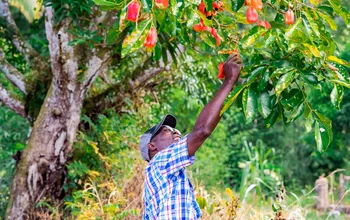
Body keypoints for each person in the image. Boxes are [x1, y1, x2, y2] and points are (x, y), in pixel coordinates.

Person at [139, 52, 242, 219]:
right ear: (152, 146)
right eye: (166, 130)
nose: (176, 132)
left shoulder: (170, 176)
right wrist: (229, 81)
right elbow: (202, 131)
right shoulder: (158, 163)